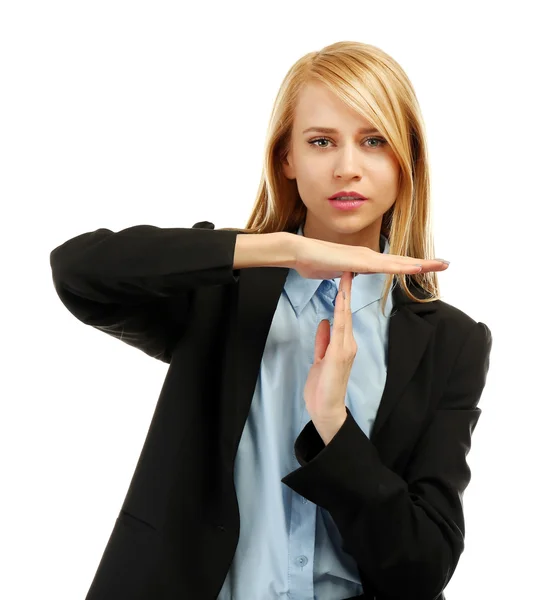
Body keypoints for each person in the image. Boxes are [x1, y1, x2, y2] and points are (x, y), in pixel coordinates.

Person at [49, 41, 492, 600]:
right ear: (286, 159)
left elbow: (423, 565)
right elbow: (78, 270)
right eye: (321, 141)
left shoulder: (451, 341)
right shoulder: (219, 292)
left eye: (374, 140)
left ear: (406, 161)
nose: (347, 166)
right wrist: (274, 248)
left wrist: (333, 427)